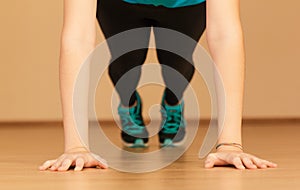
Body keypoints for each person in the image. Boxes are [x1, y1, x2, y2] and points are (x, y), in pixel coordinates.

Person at [39, 0, 277, 171]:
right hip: (120, 4)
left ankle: (172, 105)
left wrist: (230, 144)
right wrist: (76, 147)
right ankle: (129, 105)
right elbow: (77, 36)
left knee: (177, 67)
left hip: (186, 6)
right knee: (126, 67)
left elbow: (225, 34)